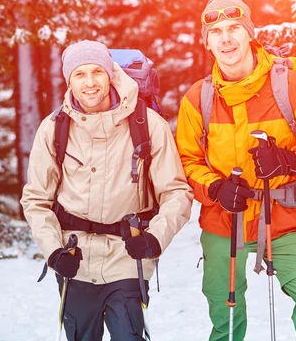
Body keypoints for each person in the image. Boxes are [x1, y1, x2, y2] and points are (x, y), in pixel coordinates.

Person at [175, 0, 296, 341]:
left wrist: (290, 160)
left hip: (282, 219)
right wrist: (215, 188)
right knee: (225, 314)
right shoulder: (198, 98)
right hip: (225, 222)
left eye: (234, 28)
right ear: (207, 42)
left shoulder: (290, 85)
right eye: (217, 31)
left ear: (250, 32)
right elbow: (185, 162)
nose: (226, 38)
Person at [21, 40, 193, 341]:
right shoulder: (54, 128)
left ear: (110, 74)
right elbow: (36, 200)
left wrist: (153, 239)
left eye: (97, 72)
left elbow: (176, 192)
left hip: (128, 256)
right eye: (80, 74)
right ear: (69, 80)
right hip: (74, 258)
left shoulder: (147, 125)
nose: (90, 83)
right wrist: (54, 253)